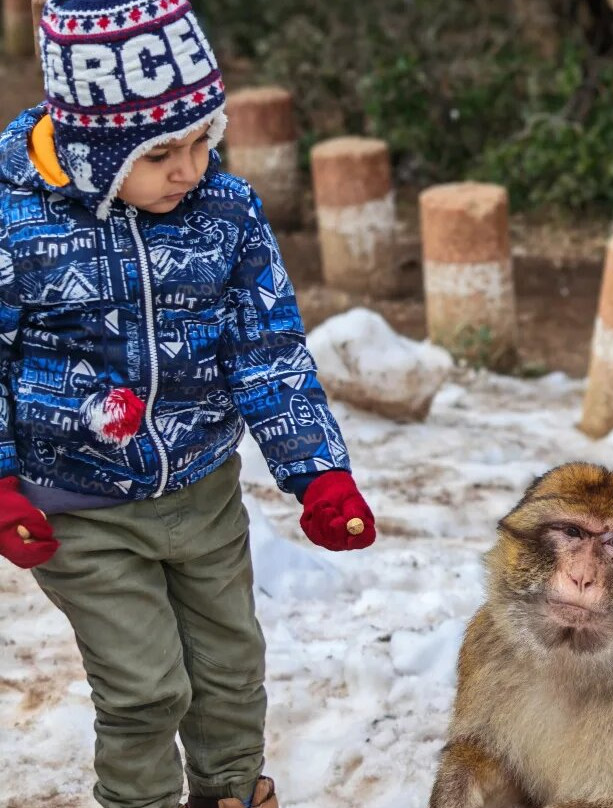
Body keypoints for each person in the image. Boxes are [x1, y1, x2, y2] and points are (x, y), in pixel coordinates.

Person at [0, 2, 378, 806]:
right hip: (80, 507)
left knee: (231, 671)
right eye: (161, 152)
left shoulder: (226, 213)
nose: (191, 169)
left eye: (205, 137)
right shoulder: (13, 224)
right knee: (145, 689)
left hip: (203, 492)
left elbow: (267, 347)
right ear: (91, 152)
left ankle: (232, 792)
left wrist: (317, 472)